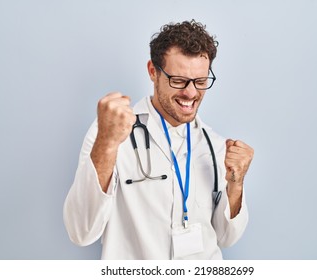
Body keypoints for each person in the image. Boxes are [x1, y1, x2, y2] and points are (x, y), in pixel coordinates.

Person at [63, 20, 254, 260]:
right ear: (153, 72)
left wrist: (236, 184)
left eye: (201, 81)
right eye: (179, 80)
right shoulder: (111, 134)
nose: (191, 93)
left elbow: (227, 237)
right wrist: (107, 144)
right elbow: (81, 231)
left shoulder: (215, 145)